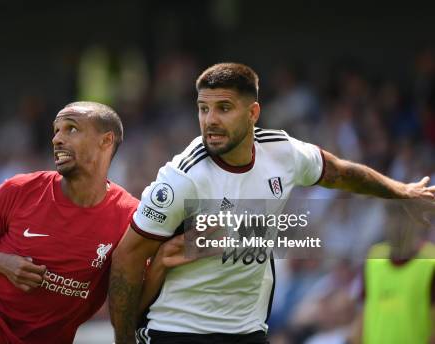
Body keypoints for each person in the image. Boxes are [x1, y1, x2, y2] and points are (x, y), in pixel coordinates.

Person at [109, 63, 435, 344]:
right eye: (203, 108)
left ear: (253, 113)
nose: (210, 120)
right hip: (180, 330)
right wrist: (125, 339)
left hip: (247, 330)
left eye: (223, 108)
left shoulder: (283, 153)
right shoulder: (181, 179)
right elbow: (127, 257)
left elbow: (341, 172)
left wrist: (399, 189)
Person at [0, 101, 139, 343]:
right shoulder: (18, 189)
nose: (57, 139)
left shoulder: (129, 215)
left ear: (106, 141)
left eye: (71, 129)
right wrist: (1, 262)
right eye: (56, 130)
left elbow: (138, 283)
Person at [349, 203, 435, 344]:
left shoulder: (431, 261)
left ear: (418, 222)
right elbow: (364, 312)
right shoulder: (374, 256)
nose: (397, 224)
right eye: (391, 216)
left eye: (404, 217)